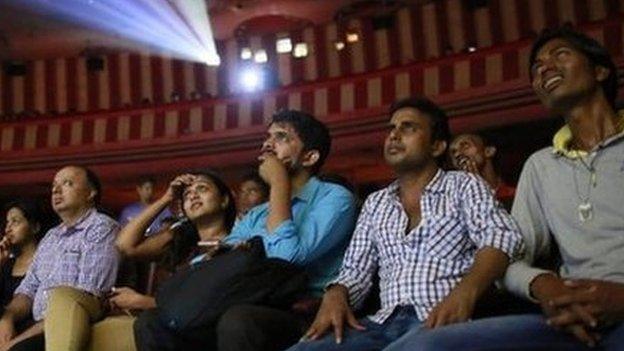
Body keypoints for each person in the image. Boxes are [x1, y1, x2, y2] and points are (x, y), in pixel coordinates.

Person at [390, 26, 624, 351]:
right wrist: (545, 285)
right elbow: (510, 255)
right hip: (571, 314)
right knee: (425, 345)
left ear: (600, 70)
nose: (545, 68)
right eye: (537, 67)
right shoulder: (541, 166)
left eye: (560, 55)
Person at [287, 97, 524, 351]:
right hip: (381, 324)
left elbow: (502, 237)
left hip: (440, 320)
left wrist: (465, 292)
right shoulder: (376, 203)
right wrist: (337, 293)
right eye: (391, 128)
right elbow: (355, 271)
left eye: (408, 127)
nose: (394, 135)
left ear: (437, 146)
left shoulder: (463, 185)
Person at [134, 109, 358, 351]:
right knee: (151, 322)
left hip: (304, 310)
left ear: (310, 157)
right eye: (268, 137)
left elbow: (287, 258)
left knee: (238, 321)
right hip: (248, 298)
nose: (267, 144)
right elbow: (221, 260)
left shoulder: (335, 198)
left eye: (281, 137)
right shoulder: (257, 214)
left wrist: (279, 183)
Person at [81, 171, 237, 351]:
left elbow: (210, 304)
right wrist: (167, 197)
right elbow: (125, 245)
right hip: (172, 328)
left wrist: (143, 302)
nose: (193, 194)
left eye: (202, 188)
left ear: (225, 200)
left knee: (147, 323)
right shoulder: (182, 243)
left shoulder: (240, 245)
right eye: (187, 194)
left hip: (211, 333)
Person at [0, 166, 119, 351]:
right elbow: (28, 288)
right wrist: (8, 317)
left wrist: (15, 342)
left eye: (67, 183)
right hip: (36, 323)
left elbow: (87, 297)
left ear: (91, 193)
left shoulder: (101, 228)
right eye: (54, 185)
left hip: (71, 323)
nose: (55, 190)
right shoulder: (51, 236)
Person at [448, 133, 516, 208]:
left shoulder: (514, 194)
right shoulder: (455, 203)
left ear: (488, 151)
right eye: (453, 152)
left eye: (465, 146)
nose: (457, 154)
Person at [1, 200, 46, 311]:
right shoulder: (7, 263)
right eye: (7, 223)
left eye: (15, 222)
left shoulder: (45, 260)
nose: (8, 229)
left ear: (35, 227)